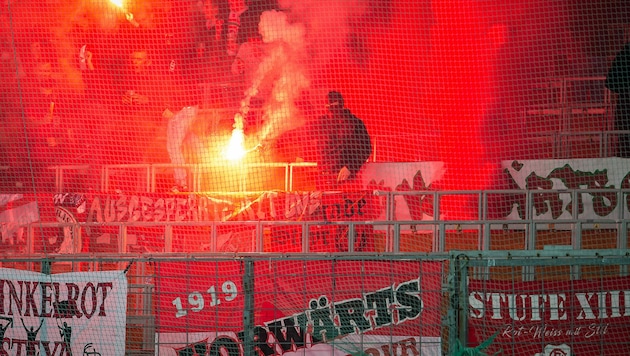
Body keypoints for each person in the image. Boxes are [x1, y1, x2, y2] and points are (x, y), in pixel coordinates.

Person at [313, 91, 372, 191]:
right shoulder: (321, 123)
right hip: (324, 177)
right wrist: (283, 138)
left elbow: (366, 148)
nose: (331, 112)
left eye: (333, 108)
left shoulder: (354, 123)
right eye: (328, 108)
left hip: (345, 178)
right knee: (323, 204)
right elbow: (304, 133)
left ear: (340, 106)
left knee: (346, 204)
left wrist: (350, 167)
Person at [605, 41, 630, 158]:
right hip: (625, 108)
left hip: (624, 107)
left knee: (624, 148)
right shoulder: (624, 54)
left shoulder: (623, 55)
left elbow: (610, 82)